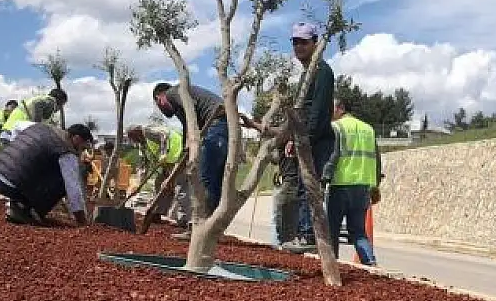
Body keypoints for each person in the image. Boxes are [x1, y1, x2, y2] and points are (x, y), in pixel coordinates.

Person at [243, 22, 334, 253]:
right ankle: (305, 235)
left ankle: (307, 235)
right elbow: (300, 114)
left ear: (315, 43)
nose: (298, 46)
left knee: (308, 188)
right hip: (307, 138)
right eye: (295, 42)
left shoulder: (322, 71)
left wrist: (303, 140)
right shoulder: (307, 74)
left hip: (316, 140)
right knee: (304, 188)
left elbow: (319, 113)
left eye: (304, 42)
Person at [152, 82, 226, 240]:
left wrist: (189, 145)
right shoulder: (184, 99)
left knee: (204, 181)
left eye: (158, 104)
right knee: (214, 183)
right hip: (225, 127)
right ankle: (213, 231)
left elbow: (190, 113)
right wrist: (188, 147)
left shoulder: (174, 92)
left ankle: (198, 229)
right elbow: (188, 124)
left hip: (215, 126)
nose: (161, 109)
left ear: (160, 97)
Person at [0, 123, 95, 226]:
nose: (81, 152)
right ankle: (27, 209)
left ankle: (20, 204)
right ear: (77, 139)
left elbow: (17, 126)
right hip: (11, 184)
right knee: (62, 181)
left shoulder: (41, 126)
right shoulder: (67, 152)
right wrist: (81, 220)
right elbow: (73, 189)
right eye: (83, 148)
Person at [322, 98, 382, 266]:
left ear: (340, 108)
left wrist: (323, 179)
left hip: (340, 185)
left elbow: (333, 156)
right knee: (358, 231)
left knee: (331, 230)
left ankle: (332, 265)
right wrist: (375, 185)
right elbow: (376, 159)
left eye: (331, 109)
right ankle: (370, 263)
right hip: (362, 188)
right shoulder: (368, 129)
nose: (328, 113)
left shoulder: (336, 127)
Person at [127, 124, 189, 227]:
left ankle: (184, 220)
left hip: (180, 158)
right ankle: (156, 214)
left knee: (180, 187)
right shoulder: (142, 144)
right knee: (160, 184)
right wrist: (140, 184)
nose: (134, 141)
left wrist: (163, 153)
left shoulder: (147, 131)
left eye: (133, 138)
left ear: (136, 133)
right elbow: (143, 165)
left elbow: (163, 136)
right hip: (168, 164)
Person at [0, 88, 67, 142]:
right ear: (60, 101)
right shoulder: (51, 101)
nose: (60, 108)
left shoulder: (42, 101)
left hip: (8, 131)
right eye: (62, 104)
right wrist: (37, 126)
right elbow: (38, 103)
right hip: (14, 133)